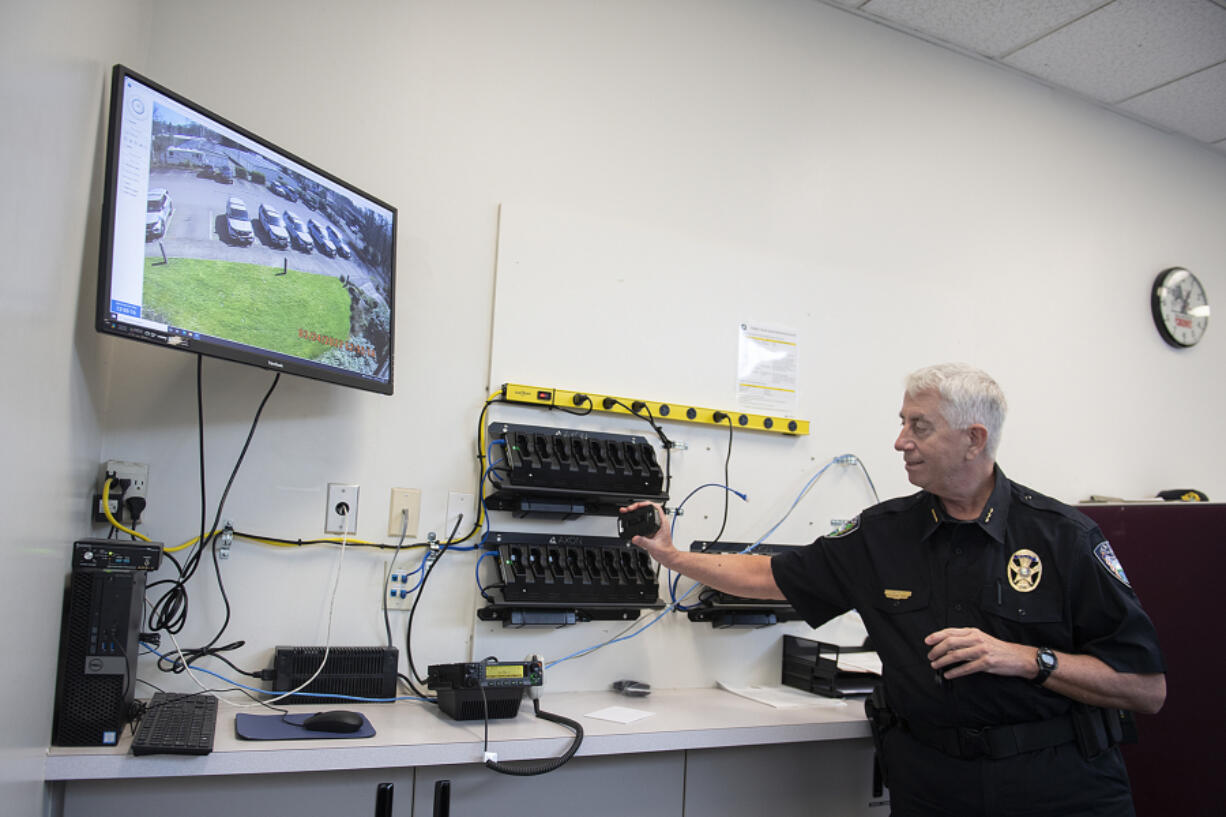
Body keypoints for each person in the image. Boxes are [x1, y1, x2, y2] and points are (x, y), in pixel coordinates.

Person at [624, 363, 1165, 817]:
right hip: (933, 785)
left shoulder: (1063, 537)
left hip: (1057, 788)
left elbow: (1145, 688)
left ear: (973, 439)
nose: (900, 441)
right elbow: (773, 575)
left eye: (919, 427)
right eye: (903, 422)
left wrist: (1027, 659)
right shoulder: (883, 533)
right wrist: (673, 557)